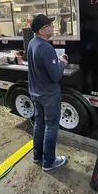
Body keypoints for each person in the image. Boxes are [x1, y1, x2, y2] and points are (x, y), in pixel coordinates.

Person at [27, 14, 68, 171]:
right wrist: (62, 63)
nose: (53, 27)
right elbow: (56, 75)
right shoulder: (46, 47)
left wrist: (55, 63)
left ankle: (37, 156)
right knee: (51, 126)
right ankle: (49, 162)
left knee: (39, 124)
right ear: (43, 30)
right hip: (49, 95)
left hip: (36, 93)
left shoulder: (32, 43)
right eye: (50, 25)